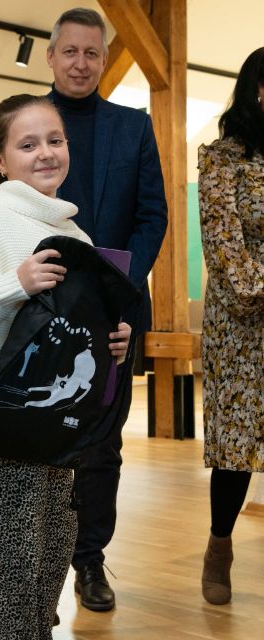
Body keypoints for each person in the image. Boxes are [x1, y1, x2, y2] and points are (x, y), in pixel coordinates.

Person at [0, 94, 131, 639]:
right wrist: (12, 284)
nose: (46, 153)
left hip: (56, 434)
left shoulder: (77, 235)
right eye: (28, 144)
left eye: (55, 140)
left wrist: (111, 341)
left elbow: (72, 332)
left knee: (43, 577)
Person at [46, 8, 167, 610]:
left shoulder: (133, 126)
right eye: (70, 51)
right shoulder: (26, 121)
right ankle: (40, 561)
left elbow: (152, 215)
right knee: (39, 437)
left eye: (92, 53)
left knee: (102, 444)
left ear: (102, 58)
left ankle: (90, 561)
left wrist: (122, 284)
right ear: (51, 57)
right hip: (41, 305)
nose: (81, 63)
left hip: (115, 311)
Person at [198, 47, 264, 606]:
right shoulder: (222, 158)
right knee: (236, 447)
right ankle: (220, 546)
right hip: (242, 326)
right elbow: (224, 243)